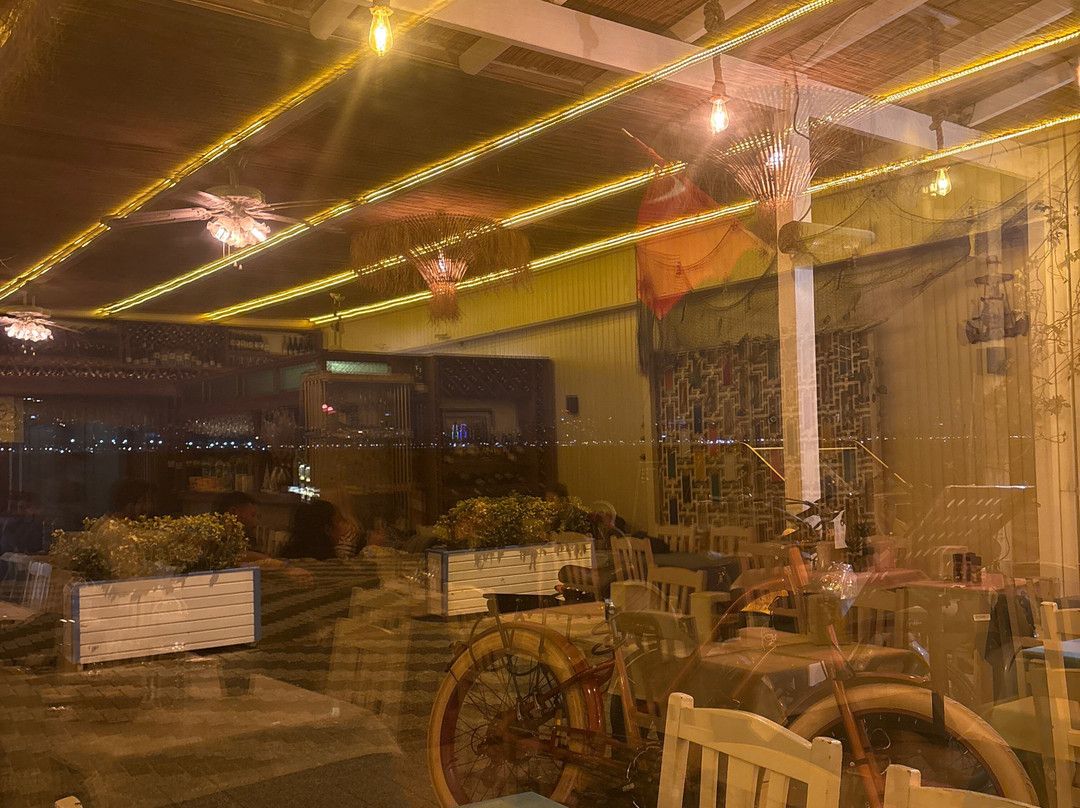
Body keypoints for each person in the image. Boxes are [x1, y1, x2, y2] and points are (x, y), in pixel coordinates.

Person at [212, 491, 313, 586]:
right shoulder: (215, 542)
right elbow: (238, 555)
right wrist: (285, 568)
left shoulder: (246, 540)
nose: (256, 523)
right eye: (253, 515)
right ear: (234, 513)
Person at [282, 499, 350, 561]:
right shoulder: (332, 564)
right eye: (338, 522)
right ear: (328, 529)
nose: (342, 526)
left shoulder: (284, 561)